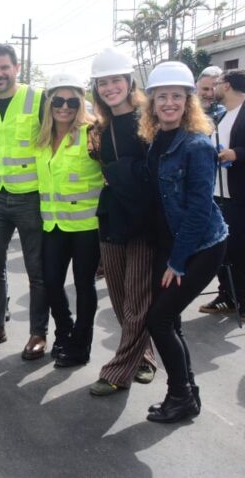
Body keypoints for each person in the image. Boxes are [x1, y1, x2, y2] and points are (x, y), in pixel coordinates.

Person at [138, 62, 228, 422]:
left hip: (200, 246)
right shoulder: (158, 138)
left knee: (158, 320)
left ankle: (180, 395)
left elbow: (198, 210)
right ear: (153, 103)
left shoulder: (196, 145)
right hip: (169, 242)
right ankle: (186, 394)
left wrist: (177, 261)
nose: (170, 103)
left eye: (177, 96)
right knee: (168, 320)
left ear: (189, 101)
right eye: (163, 97)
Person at [87, 47, 157, 396]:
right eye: (103, 82)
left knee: (137, 298)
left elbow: (159, 171)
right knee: (117, 294)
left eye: (116, 80)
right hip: (112, 218)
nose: (110, 87)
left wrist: (117, 173)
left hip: (145, 222)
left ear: (130, 82)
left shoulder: (150, 119)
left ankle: (119, 369)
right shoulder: (101, 126)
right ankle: (143, 355)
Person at [0, 43, 48, 360]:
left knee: (37, 270)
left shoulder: (38, 98)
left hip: (31, 197)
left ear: (17, 67)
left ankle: (37, 334)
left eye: (4, 67)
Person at [35, 73, 103, 368]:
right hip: (54, 226)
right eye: (58, 101)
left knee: (84, 286)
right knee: (50, 282)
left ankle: (80, 345)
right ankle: (64, 330)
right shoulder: (42, 137)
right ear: (50, 103)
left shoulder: (92, 133)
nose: (64, 107)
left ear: (81, 102)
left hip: (87, 228)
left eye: (72, 101)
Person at [200, 69, 245, 320]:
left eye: (216, 84)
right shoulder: (222, 115)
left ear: (226, 85)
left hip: (239, 196)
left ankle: (241, 298)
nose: (212, 89)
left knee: (239, 250)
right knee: (223, 251)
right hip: (218, 193)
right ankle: (228, 295)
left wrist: (236, 153)